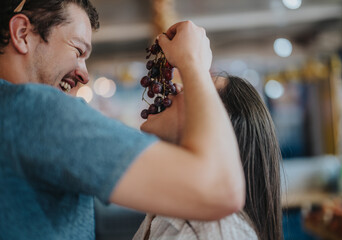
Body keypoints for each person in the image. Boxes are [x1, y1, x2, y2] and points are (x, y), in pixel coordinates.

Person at [0, 0, 245, 239]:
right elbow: (221, 190)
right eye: (77, 50)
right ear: (22, 33)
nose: (85, 74)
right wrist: (194, 63)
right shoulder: (39, 112)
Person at [135, 75, 283, 240]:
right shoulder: (170, 210)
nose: (176, 87)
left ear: (219, 128)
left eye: (197, 87)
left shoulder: (215, 232)